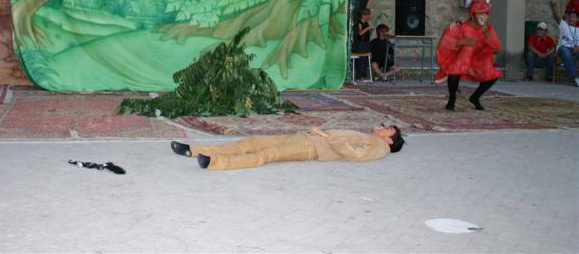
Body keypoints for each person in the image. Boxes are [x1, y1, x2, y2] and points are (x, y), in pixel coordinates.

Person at [169, 125, 404, 170]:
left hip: (312, 148)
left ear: (390, 141)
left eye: (388, 129)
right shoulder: (370, 137)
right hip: (305, 138)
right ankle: (195, 150)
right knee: (252, 142)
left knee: (266, 154)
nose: (382, 127)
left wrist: (325, 135)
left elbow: (354, 155)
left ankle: (215, 162)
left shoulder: (379, 148)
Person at [434, 0, 501, 111]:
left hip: (478, 60)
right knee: (454, 70)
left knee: (493, 75)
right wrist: (463, 42)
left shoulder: (488, 29)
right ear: (472, 14)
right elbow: (446, 43)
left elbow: (497, 49)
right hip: (461, 59)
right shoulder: (461, 27)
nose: (483, 16)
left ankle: (475, 97)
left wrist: (487, 35)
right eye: (480, 13)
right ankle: (452, 98)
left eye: (485, 14)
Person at [550, 0, 579, 86]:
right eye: (570, 17)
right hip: (563, 48)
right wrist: (553, 8)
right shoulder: (564, 25)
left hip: (574, 49)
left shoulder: (578, 30)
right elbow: (556, 17)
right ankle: (575, 77)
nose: (571, 18)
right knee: (566, 52)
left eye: (573, 17)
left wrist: (577, 47)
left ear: (577, 19)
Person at [352, 8, 373, 81]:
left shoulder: (366, 23)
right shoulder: (359, 23)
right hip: (359, 45)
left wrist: (370, 30)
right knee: (362, 60)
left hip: (365, 44)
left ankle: (363, 76)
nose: (368, 17)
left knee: (365, 60)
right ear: (362, 15)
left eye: (369, 15)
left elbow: (366, 35)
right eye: (366, 15)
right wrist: (368, 28)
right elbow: (360, 33)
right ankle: (360, 77)